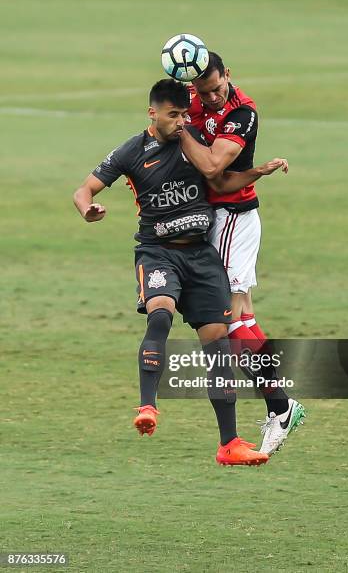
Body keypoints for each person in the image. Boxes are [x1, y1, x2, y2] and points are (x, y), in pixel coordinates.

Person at [73, 79, 284, 466]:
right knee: (160, 313)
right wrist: (88, 209)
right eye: (174, 115)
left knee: (219, 345)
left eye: (185, 114)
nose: (182, 122)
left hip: (202, 258)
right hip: (158, 254)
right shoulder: (131, 152)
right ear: (152, 113)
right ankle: (148, 407)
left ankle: (229, 445)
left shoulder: (194, 145)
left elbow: (221, 180)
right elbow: (83, 189)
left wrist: (259, 172)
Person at [180, 52, 305, 454]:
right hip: (213, 218)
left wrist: (180, 129)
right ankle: (281, 407)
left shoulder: (243, 112)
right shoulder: (192, 97)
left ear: (227, 76)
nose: (212, 97)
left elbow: (215, 167)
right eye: (204, 91)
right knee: (244, 318)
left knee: (228, 319)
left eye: (217, 88)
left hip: (232, 217)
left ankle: (281, 406)